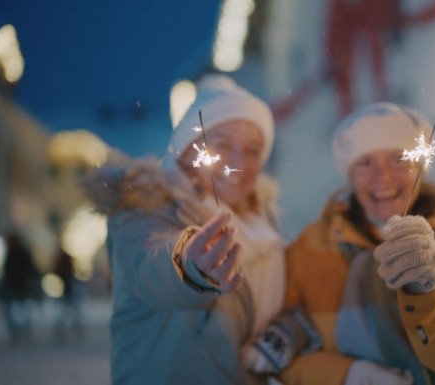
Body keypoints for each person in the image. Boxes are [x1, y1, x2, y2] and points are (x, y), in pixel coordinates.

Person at [84, 75, 295, 385]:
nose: (238, 162)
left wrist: (288, 331)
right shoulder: (146, 208)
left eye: (252, 150)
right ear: (188, 148)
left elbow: (291, 303)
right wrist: (188, 265)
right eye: (221, 144)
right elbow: (150, 265)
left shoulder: (265, 223)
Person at [281, 102, 435, 385]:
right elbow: (282, 356)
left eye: (398, 159)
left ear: (420, 166)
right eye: (365, 163)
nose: (382, 177)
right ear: (350, 175)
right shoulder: (309, 248)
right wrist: (347, 374)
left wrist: (425, 291)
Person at [1, 231, 42, 344]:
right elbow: (31, 268)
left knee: (15, 309)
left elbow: (7, 271)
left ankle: (17, 330)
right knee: (22, 308)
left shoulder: (12, 253)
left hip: (15, 285)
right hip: (22, 284)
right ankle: (23, 329)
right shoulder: (22, 252)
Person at [52, 246, 84, 341]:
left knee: (67, 310)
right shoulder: (66, 261)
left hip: (66, 288)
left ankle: (72, 326)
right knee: (70, 310)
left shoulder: (62, 260)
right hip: (68, 287)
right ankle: (75, 326)